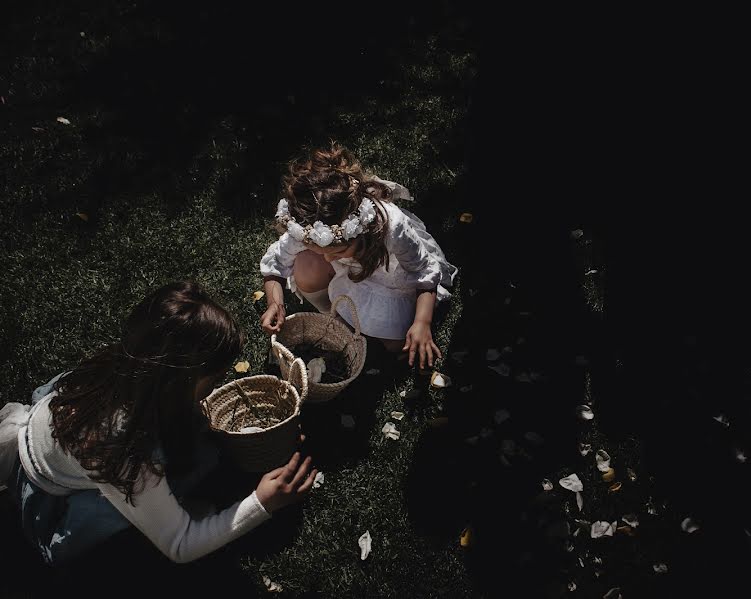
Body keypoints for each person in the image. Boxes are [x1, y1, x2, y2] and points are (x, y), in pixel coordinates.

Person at [0, 281, 317, 565]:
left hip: (69, 432)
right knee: (183, 475)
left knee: (202, 453)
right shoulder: (119, 449)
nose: (219, 384)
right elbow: (179, 545)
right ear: (180, 382)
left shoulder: (136, 368)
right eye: (214, 378)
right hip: (54, 488)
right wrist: (263, 502)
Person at [259, 142, 457, 369]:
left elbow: (423, 270)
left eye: (339, 251)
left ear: (361, 233)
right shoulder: (309, 228)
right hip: (350, 270)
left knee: (395, 344)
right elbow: (276, 263)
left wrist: (422, 322)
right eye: (319, 250)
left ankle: (369, 317)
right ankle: (332, 315)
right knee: (305, 267)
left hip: (387, 273)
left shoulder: (391, 227)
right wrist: (276, 303)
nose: (328, 259)